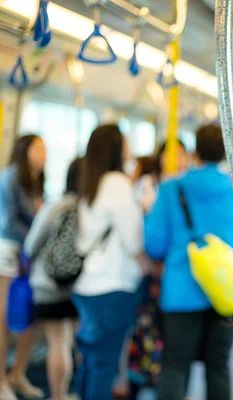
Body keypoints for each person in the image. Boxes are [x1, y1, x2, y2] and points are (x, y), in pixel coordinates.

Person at [145, 124, 233, 400]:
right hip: (229, 291)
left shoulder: (171, 188)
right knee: (219, 368)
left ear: (194, 151)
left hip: (181, 290)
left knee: (175, 367)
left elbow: (154, 244)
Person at [72, 124, 143, 400]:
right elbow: (132, 238)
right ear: (116, 146)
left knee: (90, 359)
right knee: (105, 364)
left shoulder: (92, 180)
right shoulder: (117, 182)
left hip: (86, 284)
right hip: (112, 286)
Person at [24, 158, 81, 400]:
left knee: (56, 343)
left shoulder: (57, 206)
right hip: (77, 284)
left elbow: (31, 244)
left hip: (49, 283)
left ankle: (57, 396)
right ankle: (67, 391)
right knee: (67, 341)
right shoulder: (88, 207)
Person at [0, 134, 46, 400]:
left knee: (31, 314)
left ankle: (18, 373)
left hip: (29, 254)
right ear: (24, 150)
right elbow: (6, 223)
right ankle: (2, 379)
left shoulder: (37, 181)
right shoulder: (10, 178)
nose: (43, 154)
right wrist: (34, 234)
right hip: (9, 252)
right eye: (38, 148)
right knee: (4, 316)